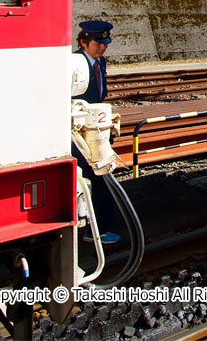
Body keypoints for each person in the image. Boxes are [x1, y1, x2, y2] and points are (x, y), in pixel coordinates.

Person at [73, 20, 120, 244]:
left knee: (101, 176)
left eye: (104, 44)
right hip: (81, 130)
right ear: (84, 41)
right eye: (97, 43)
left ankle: (98, 226)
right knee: (97, 178)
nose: (101, 48)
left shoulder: (99, 63)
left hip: (97, 127)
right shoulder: (76, 63)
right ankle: (96, 229)